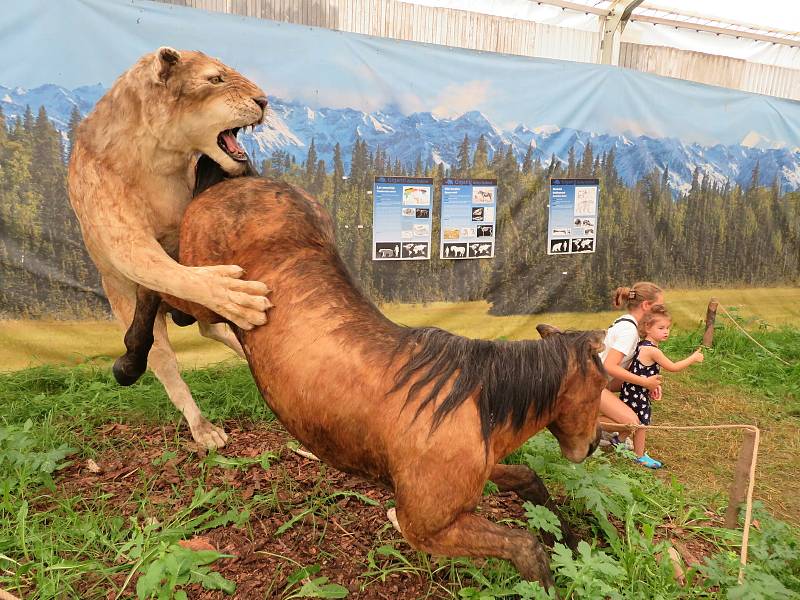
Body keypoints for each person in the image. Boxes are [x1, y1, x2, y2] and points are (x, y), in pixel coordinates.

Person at [620, 305, 704, 468]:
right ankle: (639, 456)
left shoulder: (642, 344)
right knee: (641, 424)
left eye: (667, 328)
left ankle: (618, 441)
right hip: (638, 392)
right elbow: (673, 367)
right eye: (661, 328)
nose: (666, 331)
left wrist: (653, 386)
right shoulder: (653, 351)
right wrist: (692, 358)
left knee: (633, 422)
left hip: (633, 389)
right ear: (647, 328)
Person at [598, 282, 664, 459]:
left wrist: (648, 384)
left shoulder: (626, 322)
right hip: (589, 385)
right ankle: (574, 422)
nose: (661, 312)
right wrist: (644, 382)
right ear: (646, 306)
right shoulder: (629, 331)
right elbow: (609, 366)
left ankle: (595, 424)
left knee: (632, 417)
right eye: (658, 307)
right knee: (632, 422)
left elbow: (625, 367)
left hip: (598, 382)